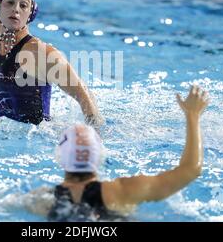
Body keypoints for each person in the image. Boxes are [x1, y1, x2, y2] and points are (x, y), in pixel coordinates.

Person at [24, 85, 208, 221]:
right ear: (99, 156)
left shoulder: (41, 200)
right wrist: (192, 116)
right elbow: (191, 170)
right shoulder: (123, 191)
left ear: (60, 158)